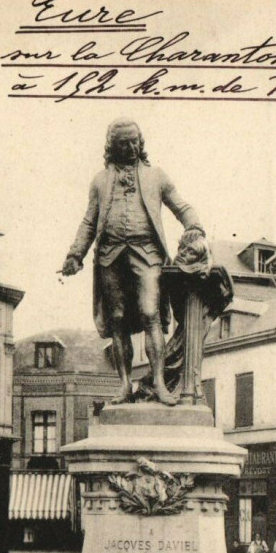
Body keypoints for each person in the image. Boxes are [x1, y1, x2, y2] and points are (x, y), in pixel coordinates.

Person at [62, 118, 203, 406]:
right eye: (124, 143)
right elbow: (89, 221)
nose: (131, 147)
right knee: (117, 321)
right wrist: (75, 253)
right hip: (110, 255)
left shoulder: (157, 176)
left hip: (147, 253)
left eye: (135, 141)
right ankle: (125, 385)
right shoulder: (99, 181)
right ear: (112, 146)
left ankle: (160, 384)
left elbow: (181, 206)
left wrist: (195, 227)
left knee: (150, 312)